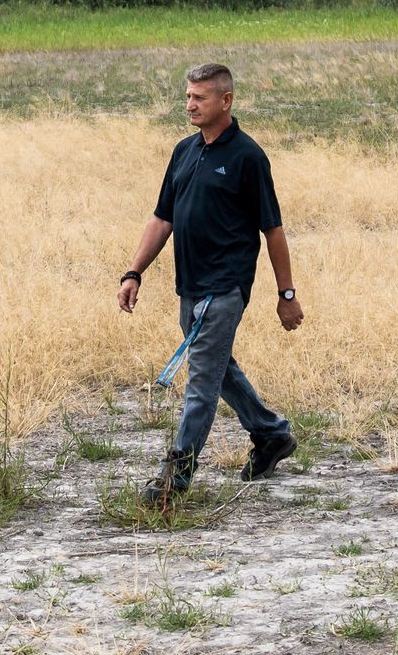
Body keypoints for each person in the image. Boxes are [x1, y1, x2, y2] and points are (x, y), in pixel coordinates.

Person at [113, 61, 303, 506]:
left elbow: (272, 230)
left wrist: (286, 294)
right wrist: (133, 271)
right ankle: (272, 435)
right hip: (190, 285)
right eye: (187, 96)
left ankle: (173, 482)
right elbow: (163, 219)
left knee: (200, 380)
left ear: (226, 101)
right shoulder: (184, 151)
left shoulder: (248, 157)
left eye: (199, 97)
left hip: (226, 287)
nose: (190, 105)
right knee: (218, 368)